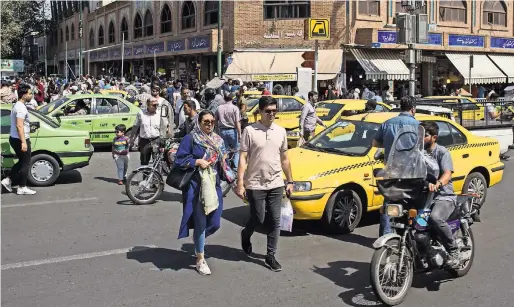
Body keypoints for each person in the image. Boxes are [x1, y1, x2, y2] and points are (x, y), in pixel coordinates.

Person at [236, 96, 294, 272]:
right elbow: (243, 158)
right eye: (268, 111)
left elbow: (284, 158)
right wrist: (240, 182)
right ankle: (246, 234)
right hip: (255, 183)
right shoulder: (250, 131)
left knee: (275, 221)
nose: (271, 114)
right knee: (258, 218)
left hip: (276, 182)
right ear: (260, 112)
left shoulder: (281, 131)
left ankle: (271, 256)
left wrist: (290, 180)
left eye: (274, 111)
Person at [175, 110, 226, 276]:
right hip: (197, 186)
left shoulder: (218, 140)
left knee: (216, 222)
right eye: (206, 121)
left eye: (212, 121)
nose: (210, 124)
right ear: (199, 122)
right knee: (201, 222)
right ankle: (200, 258)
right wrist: (197, 161)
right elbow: (179, 160)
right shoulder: (191, 138)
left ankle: (198, 238)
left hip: (214, 185)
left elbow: (223, 162)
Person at [372, 96, 420, 236]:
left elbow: (374, 143)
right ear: (413, 109)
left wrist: (389, 146)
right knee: (413, 202)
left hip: (392, 169)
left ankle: (386, 235)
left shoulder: (388, 123)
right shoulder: (418, 125)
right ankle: (411, 235)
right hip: (412, 170)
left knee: (389, 201)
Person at [421, 121, 460, 268]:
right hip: (424, 196)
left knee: (435, 218)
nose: (421, 138)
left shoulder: (442, 152)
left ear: (434, 137)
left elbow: (447, 174)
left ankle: (453, 251)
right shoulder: (417, 153)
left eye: (425, 135)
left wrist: (438, 184)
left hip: (443, 196)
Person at [1, 84, 36, 195]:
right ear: (24, 95)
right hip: (20, 138)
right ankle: (22, 187)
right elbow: (19, 126)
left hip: (15, 138)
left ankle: (8, 180)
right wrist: (24, 142)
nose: (31, 95)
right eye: (30, 93)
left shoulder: (18, 105)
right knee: (26, 163)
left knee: (22, 161)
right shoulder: (20, 108)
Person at [129, 97, 162, 166]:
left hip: (156, 141)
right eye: (153, 105)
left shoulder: (159, 114)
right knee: (144, 163)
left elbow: (164, 128)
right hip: (144, 142)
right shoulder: (141, 114)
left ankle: (156, 177)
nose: (156, 107)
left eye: (157, 105)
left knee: (157, 164)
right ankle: (146, 177)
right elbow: (135, 127)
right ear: (148, 104)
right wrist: (131, 139)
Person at [216, 93, 241, 170]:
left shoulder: (219, 108)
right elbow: (237, 122)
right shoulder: (235, 108)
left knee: (225, 150)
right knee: (236, 149)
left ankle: (226, 167)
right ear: (232, 98)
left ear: (224, 98)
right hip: (232, 131)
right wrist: (240, 133)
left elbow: (215, 120)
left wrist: (217, 131)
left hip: (222, 131)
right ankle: (235, 166)